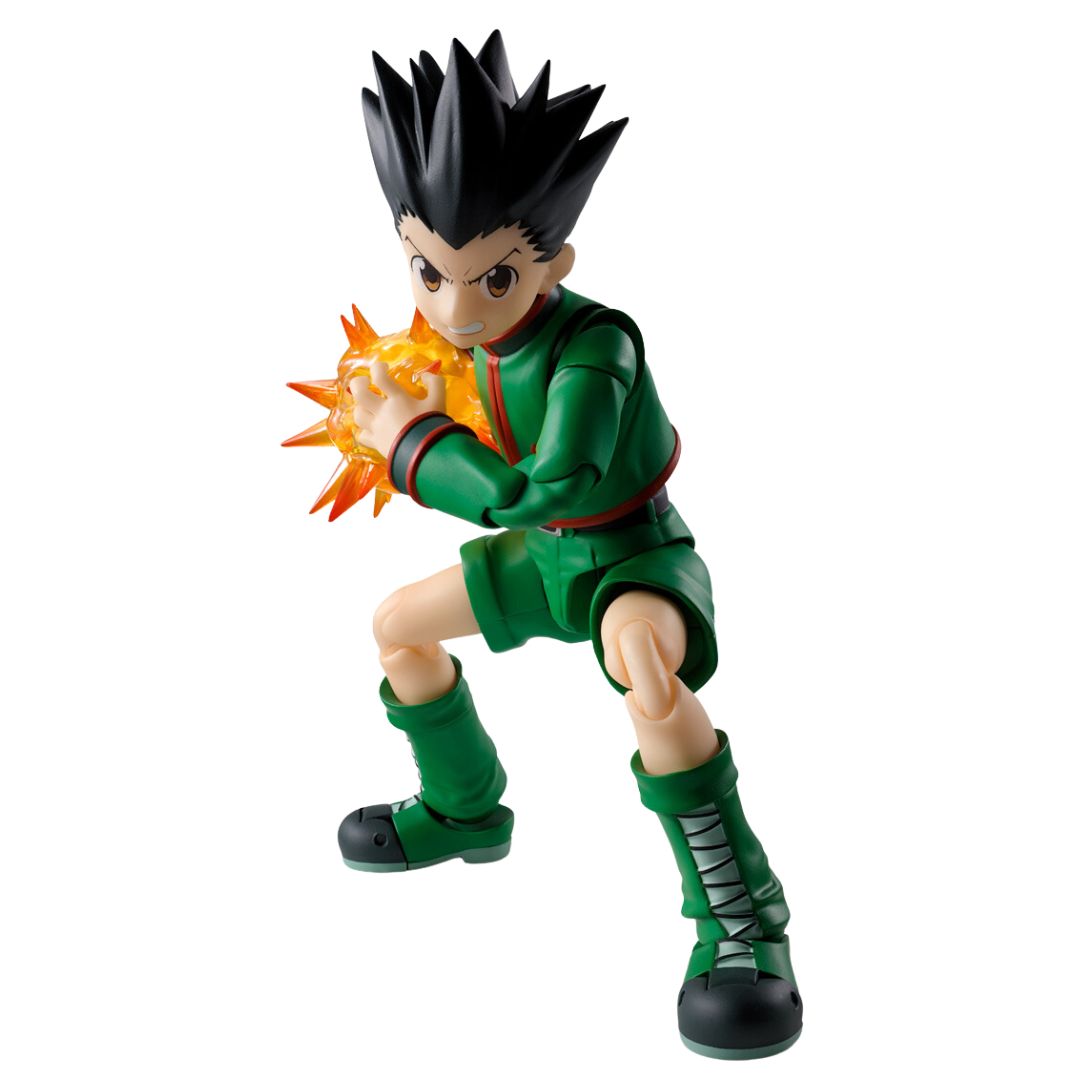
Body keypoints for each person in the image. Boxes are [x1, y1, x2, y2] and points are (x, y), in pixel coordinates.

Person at [336, 30, 803, 1059]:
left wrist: (412, 444)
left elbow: (544, 487)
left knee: (649, 679)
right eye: (427, 270)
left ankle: (741, 921)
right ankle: (464, 810)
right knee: (397, 627)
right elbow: (495, 477)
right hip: (542, 561)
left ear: (552, 262)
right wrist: (405, 415)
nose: (454, 305)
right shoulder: (452, 343)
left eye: (492, 278)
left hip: (629, 558)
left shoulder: (599, 346)